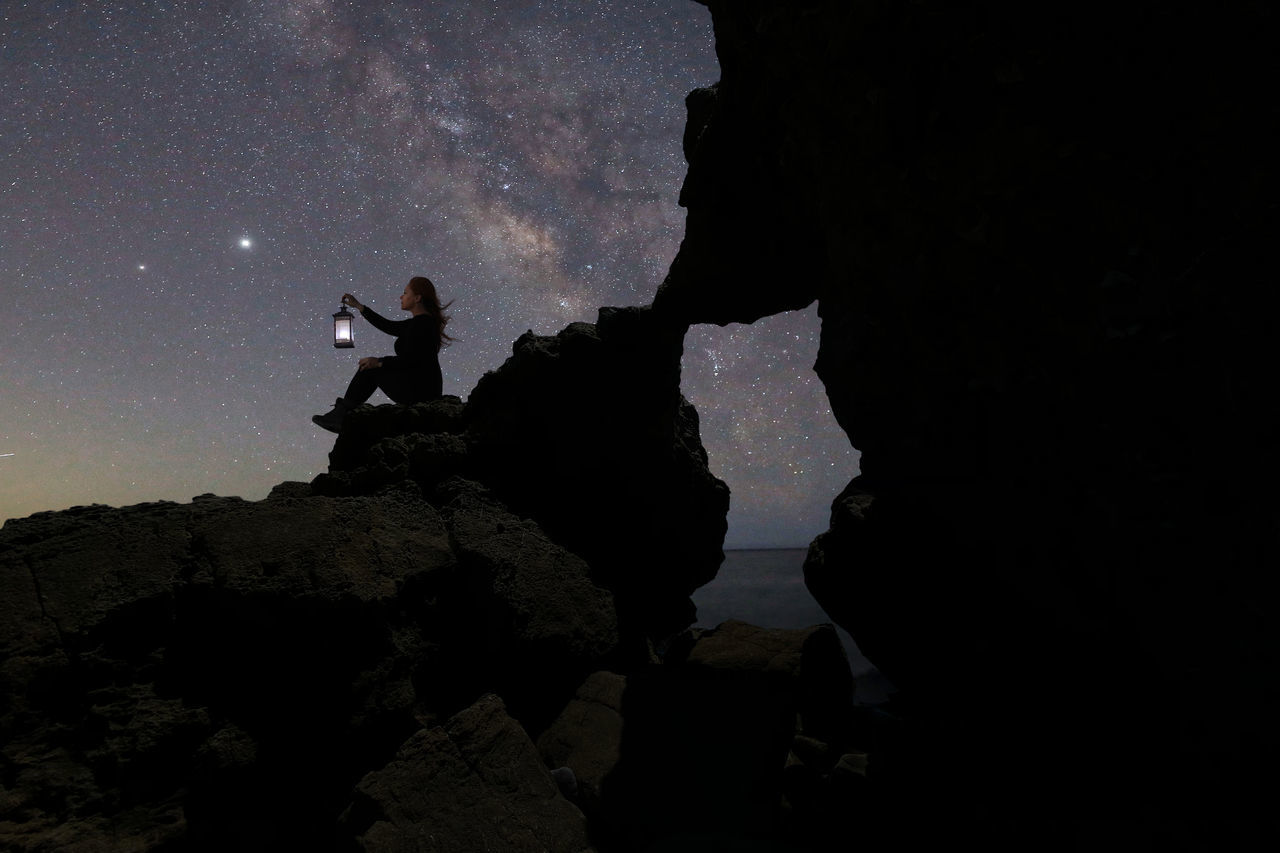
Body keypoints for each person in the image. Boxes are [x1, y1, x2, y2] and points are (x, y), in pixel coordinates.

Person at [312, 276, 452, 433]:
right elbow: (387, 325)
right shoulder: (418, 323)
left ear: (417, 297)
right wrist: (359, 306)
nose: (401, 296)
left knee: (370, 369)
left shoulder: (423, 324)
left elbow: (412, 360)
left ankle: (341, 416)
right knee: (371, 367)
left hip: (420, 391)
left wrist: (379, 362)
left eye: (405, 293)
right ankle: (342, 414)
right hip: (421, 387)